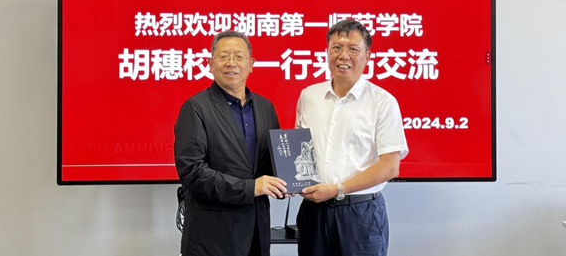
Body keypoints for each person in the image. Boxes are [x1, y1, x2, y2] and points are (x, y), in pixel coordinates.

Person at [295, 19, 409, 256]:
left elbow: (390, 166)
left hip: (360, 214)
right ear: (327, 52)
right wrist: (293, 182)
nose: (343, 55)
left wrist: (337, 189)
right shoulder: (309, 96)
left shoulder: (382, 102)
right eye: (336, 47)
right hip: (313, 213)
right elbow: (300, 151)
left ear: (367, 56)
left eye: (353, 49)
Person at [174, 31, 287, 256]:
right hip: (213, 234)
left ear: (251, 64)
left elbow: (271, 163)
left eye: (239, 56)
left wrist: (288, 181)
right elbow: (192, 172)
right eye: (224, 56)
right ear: (210, 63)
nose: (231, 63)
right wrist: (251, 187)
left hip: (257, 232)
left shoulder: (265, 107)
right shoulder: (195, 108)